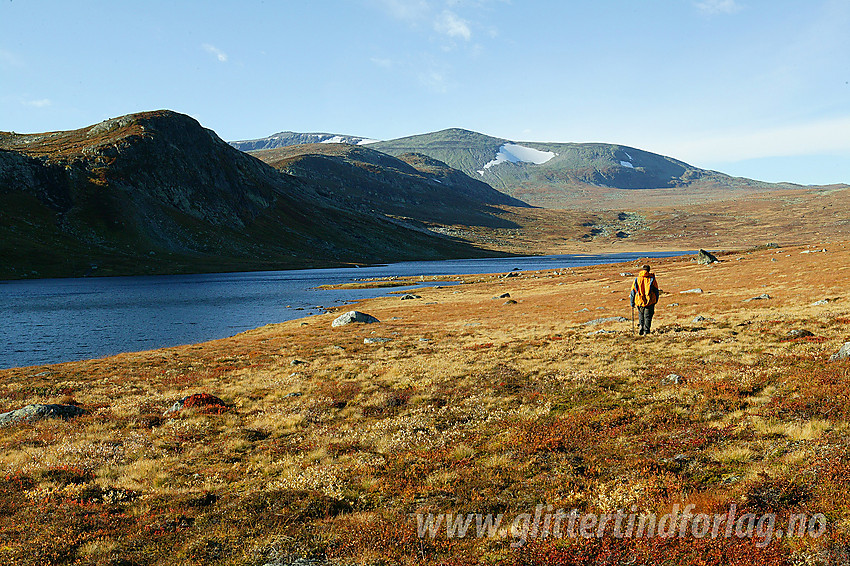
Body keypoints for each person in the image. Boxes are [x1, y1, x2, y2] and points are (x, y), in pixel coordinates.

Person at [630, 264, 659, 335]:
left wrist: (632, 302)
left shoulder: (637, 279)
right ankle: (646, 331)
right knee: (648, 316)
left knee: (641, 315)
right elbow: (656, 291)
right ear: (649, 270)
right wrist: (656, 300)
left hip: (639, 301)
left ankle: (641, 328)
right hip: (650, 301)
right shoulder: (652, 279)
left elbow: (633, 292)